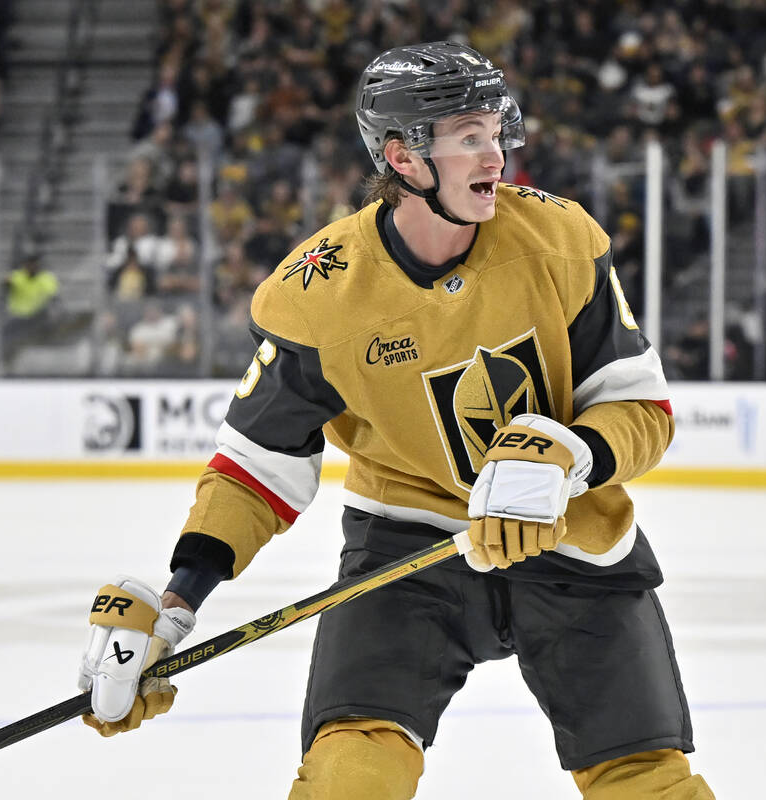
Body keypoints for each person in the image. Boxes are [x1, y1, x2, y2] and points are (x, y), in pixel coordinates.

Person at [76, 41, 713, 800]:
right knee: (350, 772)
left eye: (495, 130)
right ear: (403, 156)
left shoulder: (560, 240)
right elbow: (255, 468)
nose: (495, 154)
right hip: (407, 549)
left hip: (573, 537)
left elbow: (641, 406)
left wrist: (568, 453)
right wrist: (176, 608)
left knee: (646, 782)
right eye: (468, 136)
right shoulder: (318, 294)